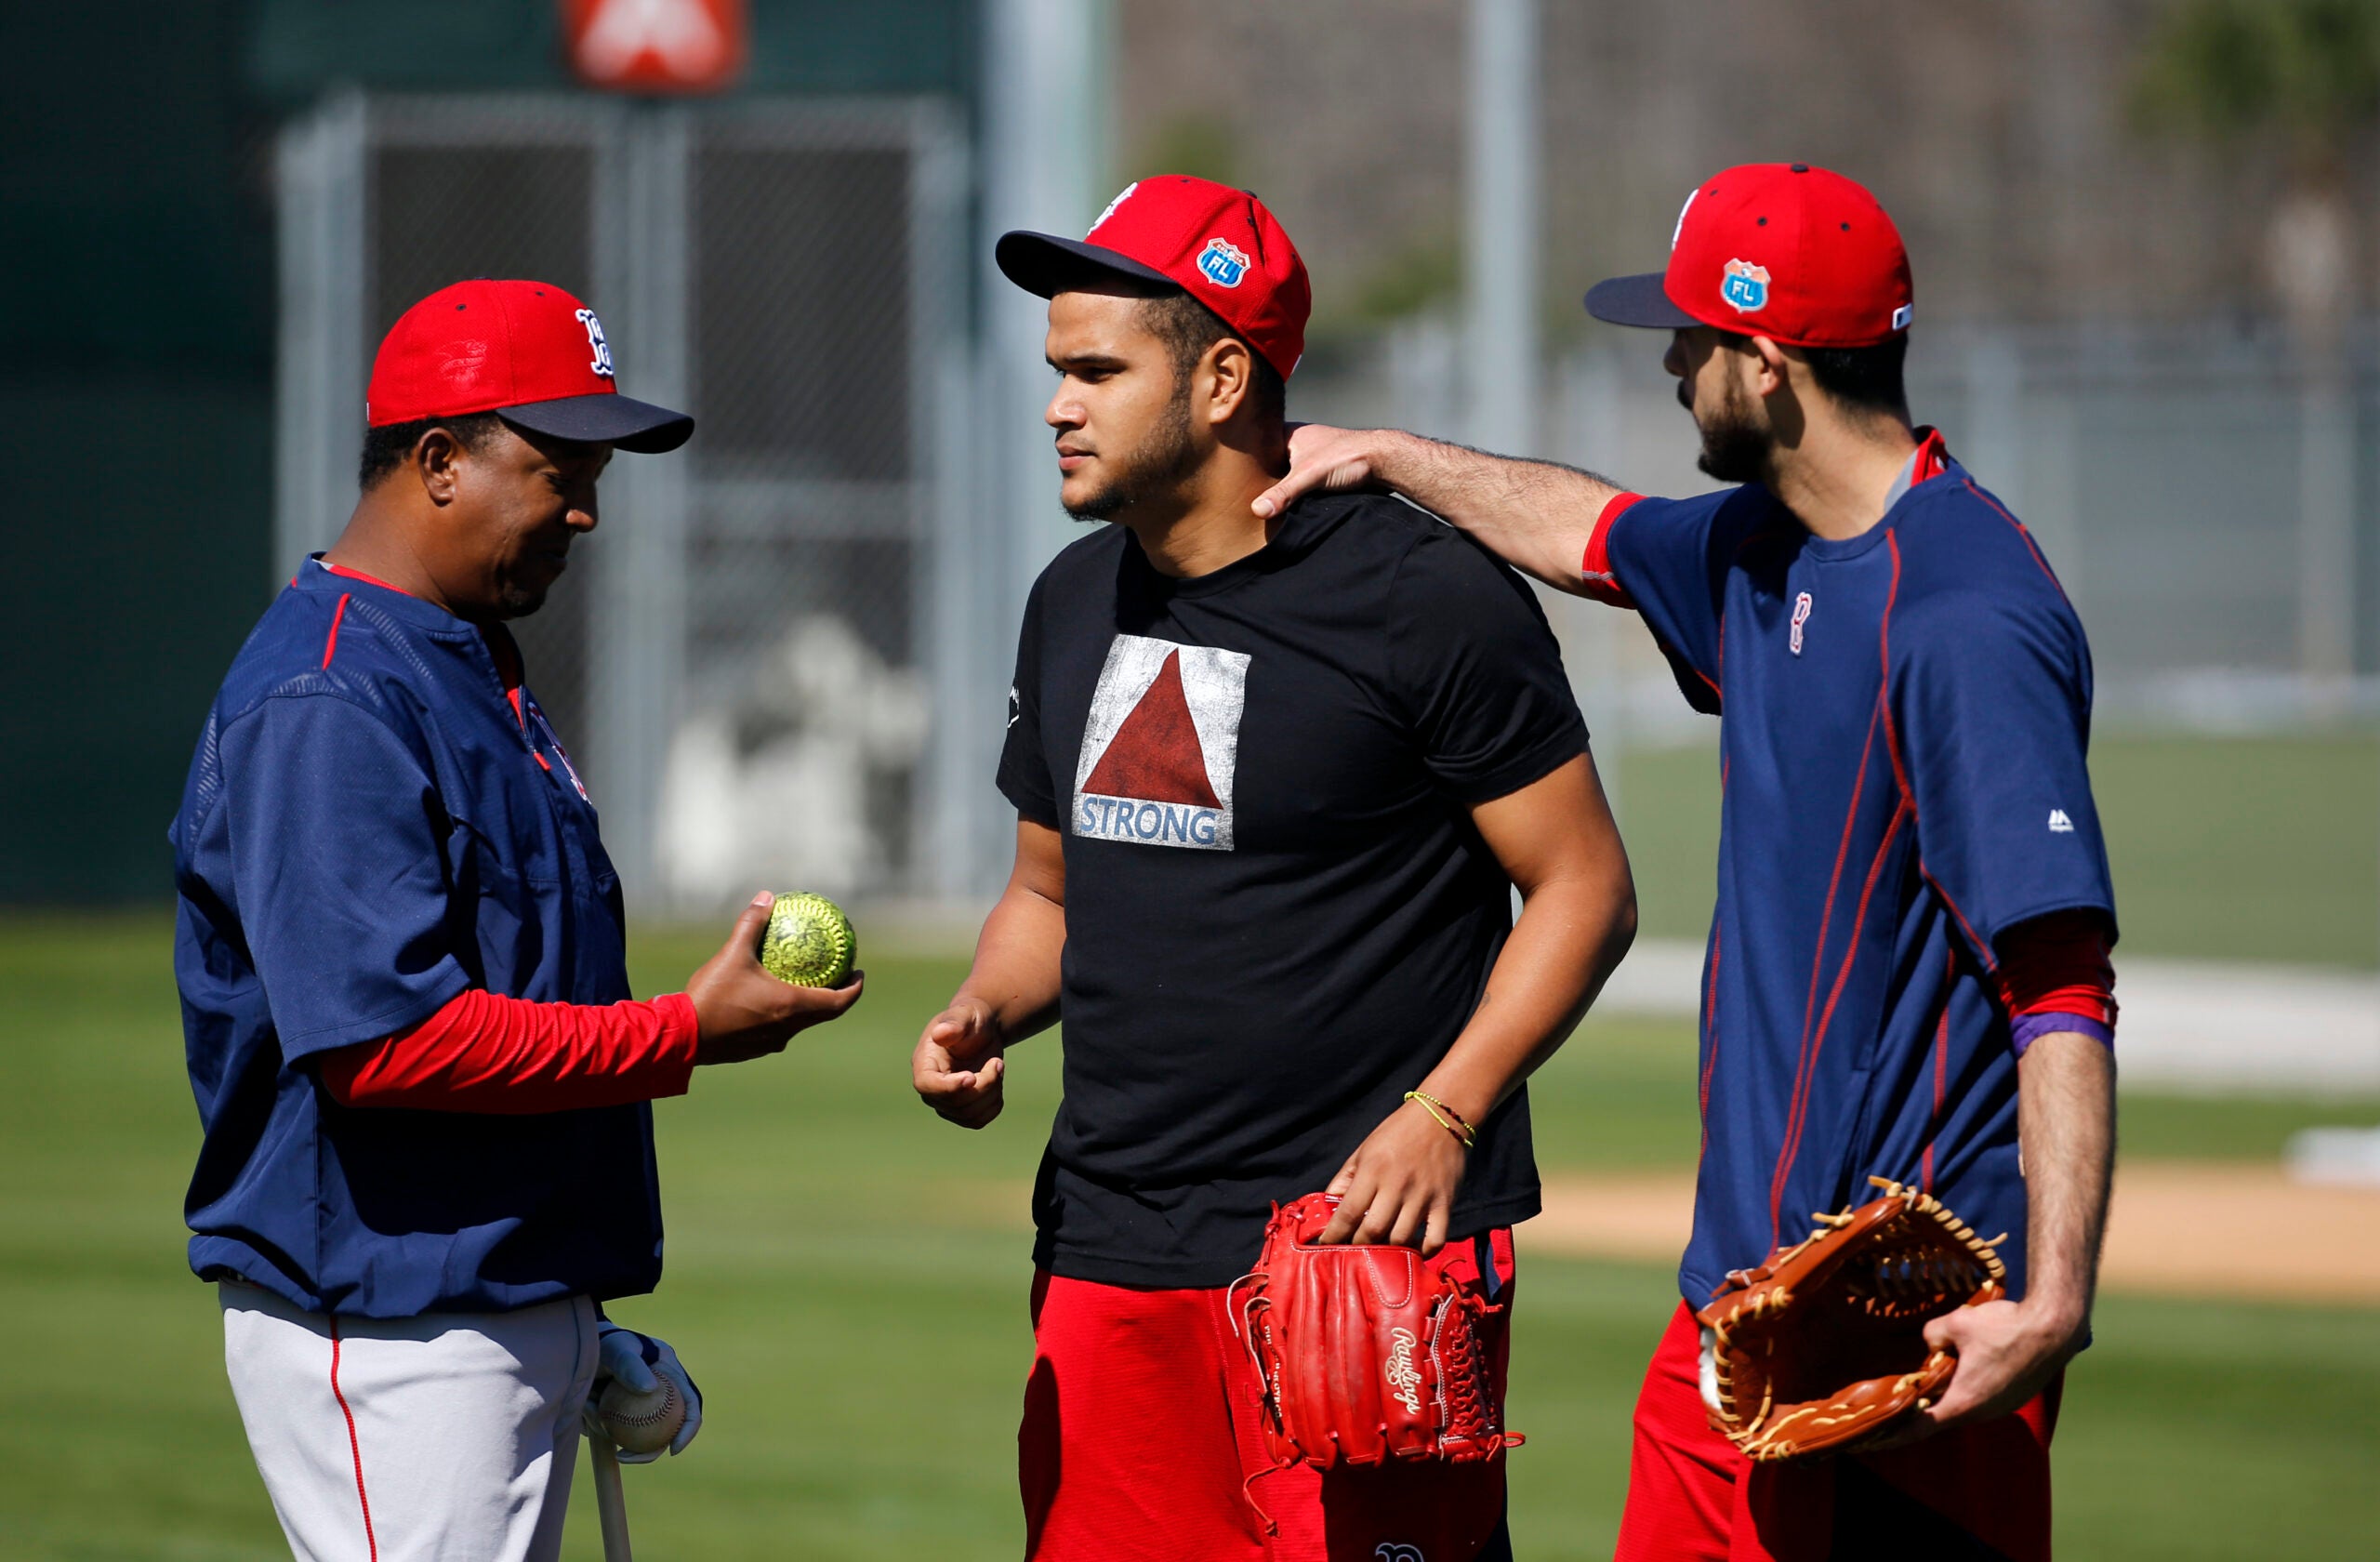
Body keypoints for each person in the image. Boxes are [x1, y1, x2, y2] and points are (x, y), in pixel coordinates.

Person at [1252, 164, 2119, 1562]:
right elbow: (1589, 534)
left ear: (1766, 367)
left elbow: (2061, 984)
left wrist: (2055, 1302)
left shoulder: (1965, 616)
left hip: (1905, 1326)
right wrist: (1390, 455)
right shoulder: (1763, 554)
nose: (1668, 364)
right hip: (1734, 1310)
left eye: (1689, 339)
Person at [909, 175, 1638, 1562]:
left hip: (1353, 1263)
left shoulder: (1421, 597)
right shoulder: (1074, 599)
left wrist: (1449, 1112)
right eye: (1055, 370)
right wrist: (982, 1012)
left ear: (1225, 376)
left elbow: (1585, 886)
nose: (1058, 403)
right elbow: (1050, 894)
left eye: (1097, 371)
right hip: (1108, 1252)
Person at [170, 278, 862, 1562]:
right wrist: (678, 1034)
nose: (588, 511)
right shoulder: (329, 699)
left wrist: (567, 1313)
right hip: (392, 1329)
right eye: (560, 469)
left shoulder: (458, 652)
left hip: (490, 1296)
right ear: (439, 460)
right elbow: (387, 1046)